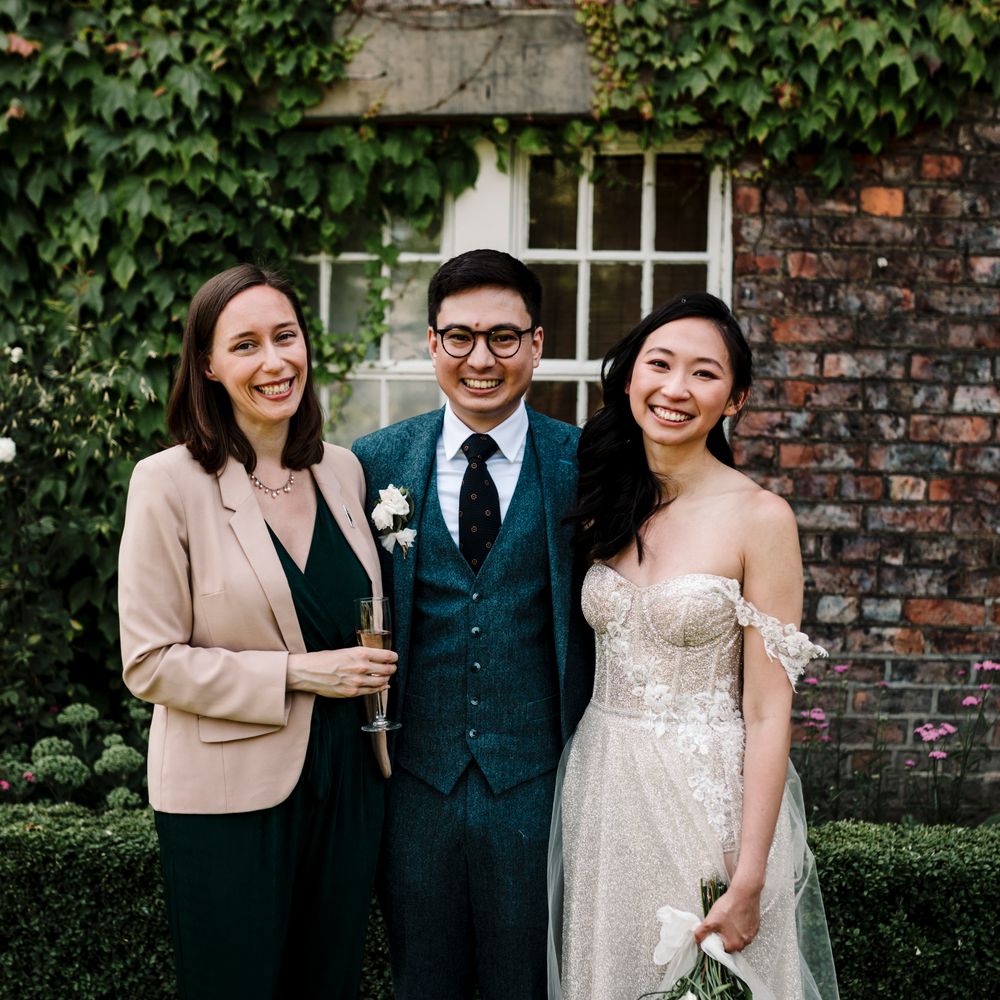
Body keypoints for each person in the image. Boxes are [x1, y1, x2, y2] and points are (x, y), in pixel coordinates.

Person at [118, 263, 397, 1000]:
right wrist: (298, 674)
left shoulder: (343, 471)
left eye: (286, 337)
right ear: (208, 365)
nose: (275, 362)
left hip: (349, 782)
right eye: (246, 345)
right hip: (226, 797)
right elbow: (149, 663)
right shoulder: (166, 482)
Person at [549, 292, 839, 999]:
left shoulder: (761, 518)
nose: (675, 389)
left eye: (704, 373)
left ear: (735, 399)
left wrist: (751, 873)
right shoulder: (601, 501)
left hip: (705, 798)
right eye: (660, 364)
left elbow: (768, 711)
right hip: (602, 785)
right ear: (629, 378)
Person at [352, 248, 594, 999]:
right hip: (413, 786)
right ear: (432, 343)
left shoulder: (585, 464)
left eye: (503, 337)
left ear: (537, 344)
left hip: (538, 784)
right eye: (459, 336)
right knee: (420, 983)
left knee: (528, 984)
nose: (480, 359)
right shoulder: (374, 461)